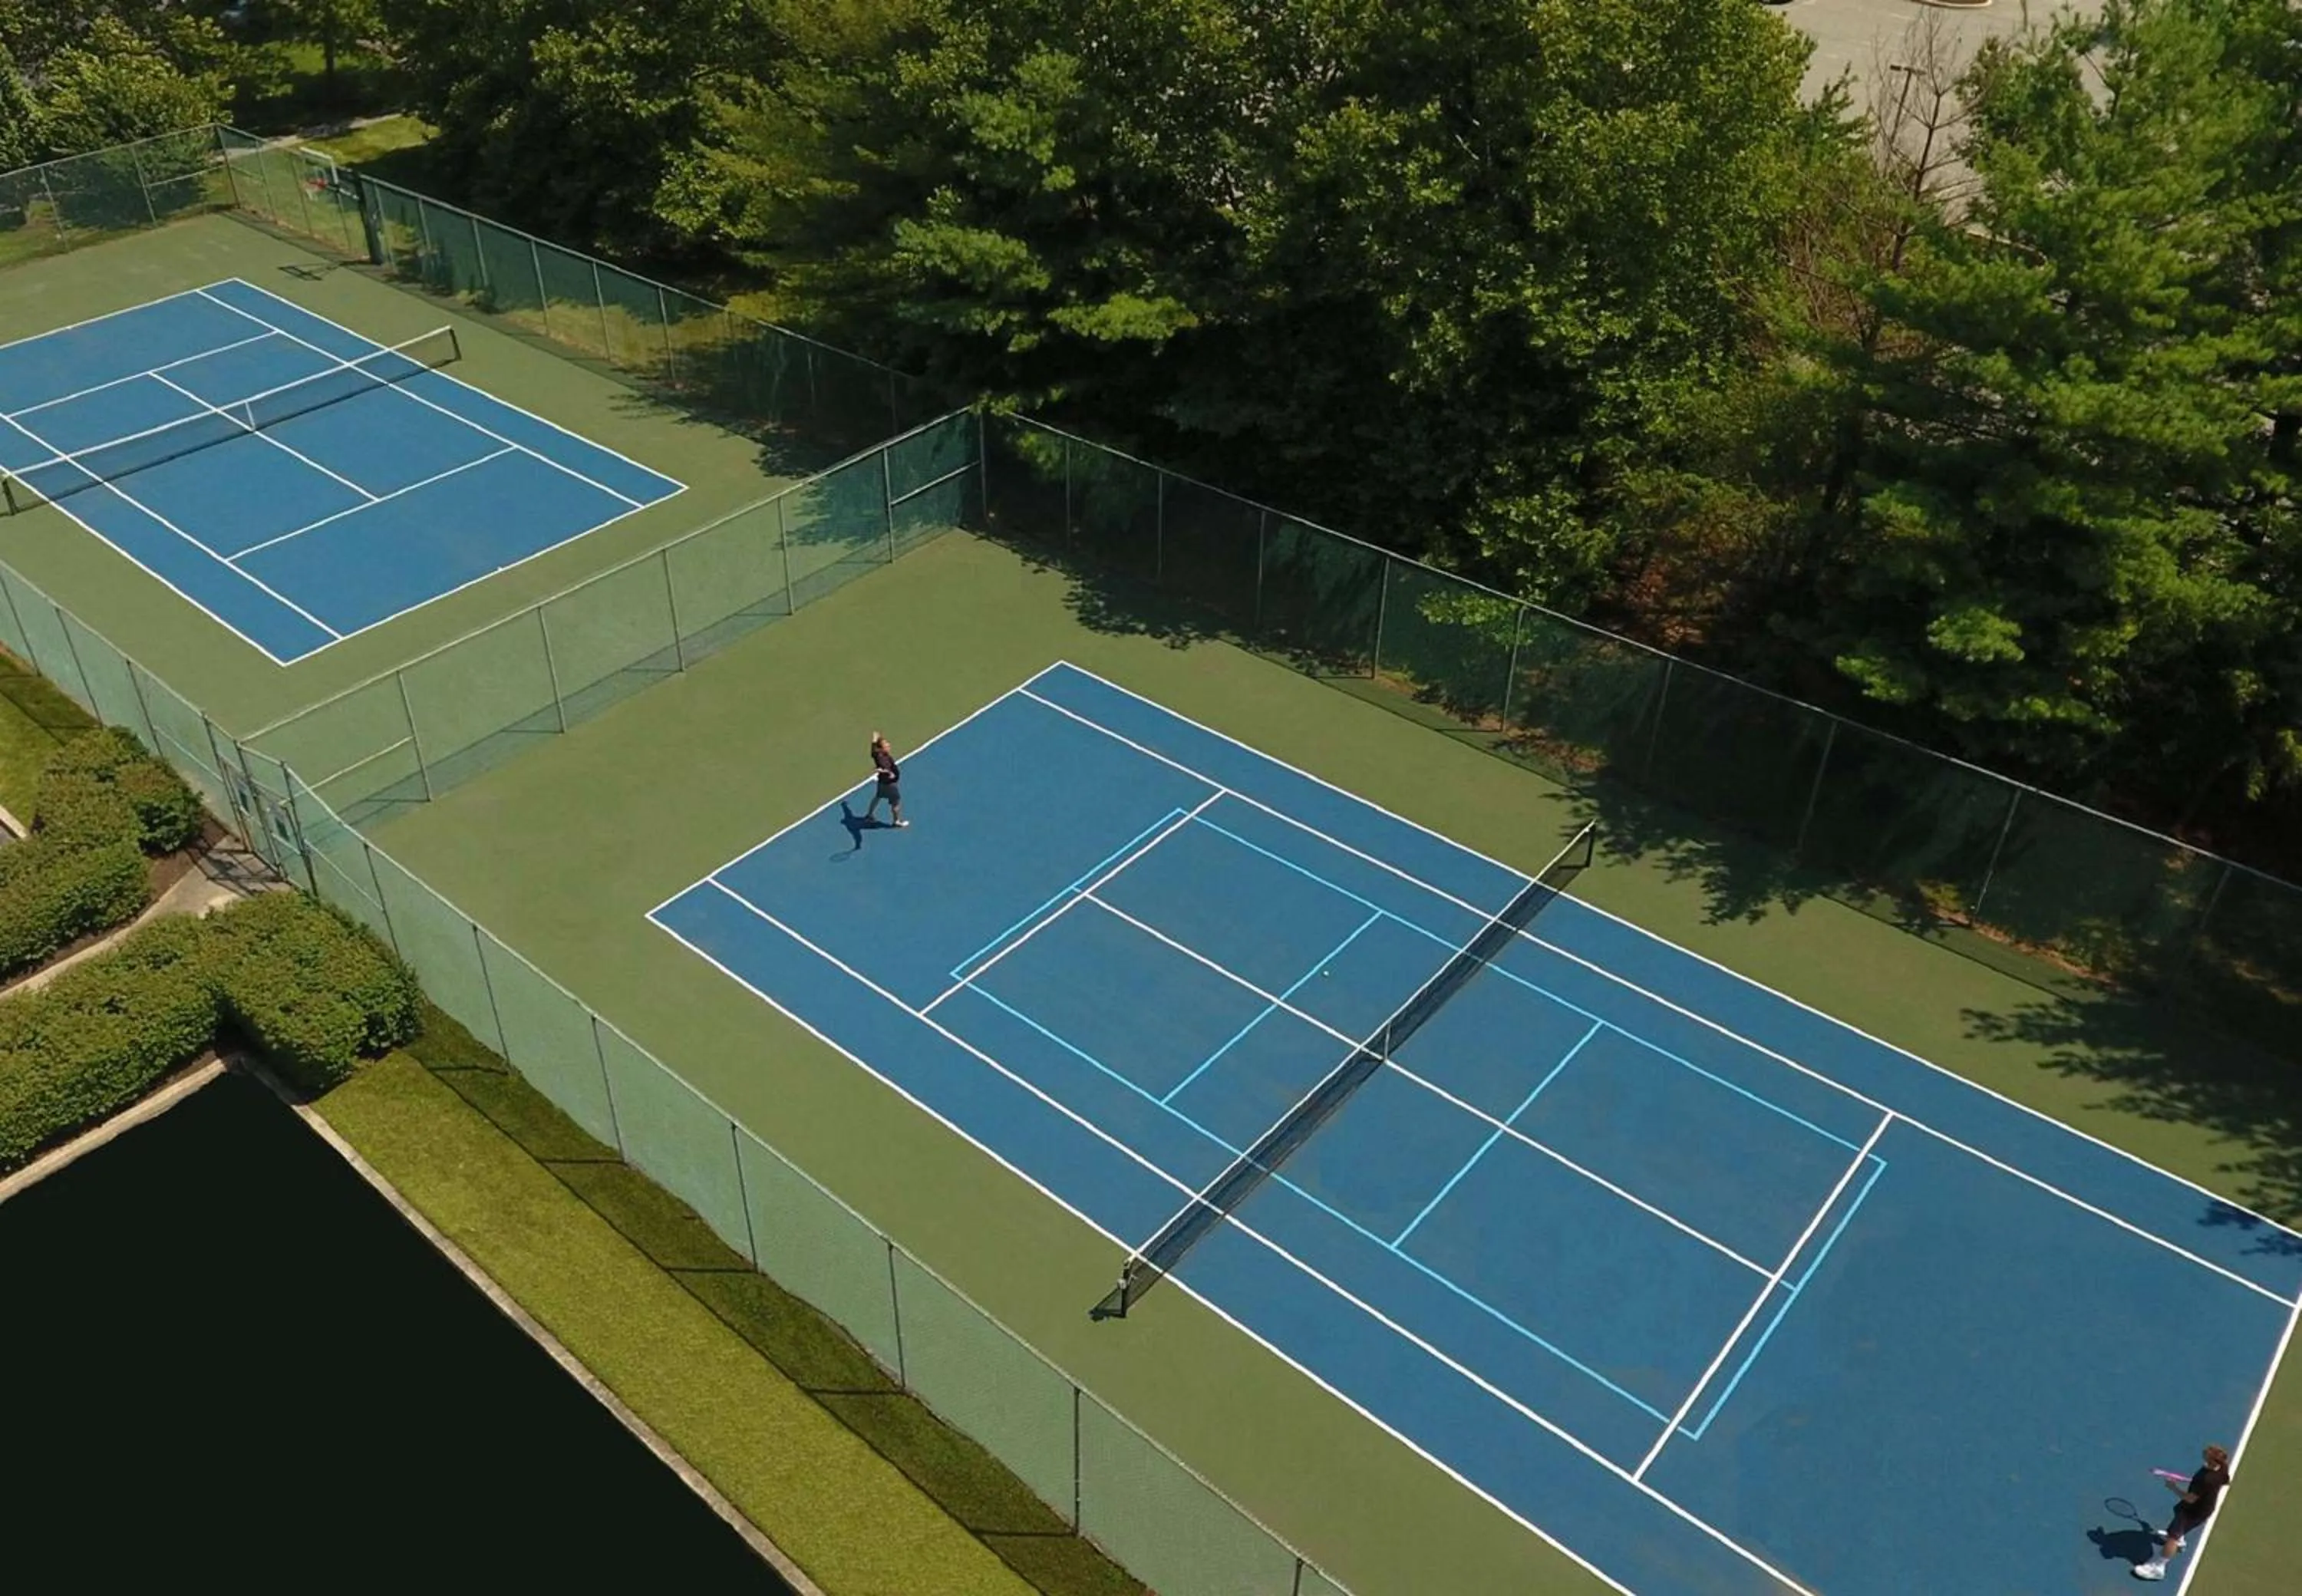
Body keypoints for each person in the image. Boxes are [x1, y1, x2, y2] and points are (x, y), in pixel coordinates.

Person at [2135, 1443, 2231, 1581]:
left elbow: (2190, 1499)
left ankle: (2158, 1568)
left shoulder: (2205, 1478)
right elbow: (2225, 1481)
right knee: (2178, 1519)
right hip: (2203, 1508)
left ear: (2212, 1460)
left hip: (2194, 1510)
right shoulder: (2222, 1468)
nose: (2204, 1453)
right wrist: (2203, 1487)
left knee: (2172, 1537)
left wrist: (2173, 1487)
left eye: (2207, 1454)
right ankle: (2180, 1538)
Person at [863, 731, 908, 828]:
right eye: (886, 745)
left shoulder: (877, 754)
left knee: (878, 796)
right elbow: (885, 768)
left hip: (882, 783)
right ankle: (896, 821)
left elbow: (873, 751)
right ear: (882, 748)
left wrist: (874, 740)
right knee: (896, 802)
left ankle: (869, 815)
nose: (889, 745)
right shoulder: (884, 759)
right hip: (890, 785)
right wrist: (889, 773)